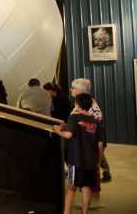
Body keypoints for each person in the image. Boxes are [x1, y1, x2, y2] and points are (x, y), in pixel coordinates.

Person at [53, 93, 103, 214]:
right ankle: (84, 212)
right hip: (91, 161)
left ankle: (66, 212)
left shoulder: (74, 117)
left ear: (77, 104)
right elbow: (100, 144)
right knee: (86, 188)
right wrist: (98, 162)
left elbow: (68, 135)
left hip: (76, 160)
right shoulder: (96, 121)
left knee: (71, 188)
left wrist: (56, 130)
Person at [69, 78, 111, 209]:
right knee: (91, 172)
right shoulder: (81, 103)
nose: (71, 90)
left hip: (90, 145)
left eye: (73, 87)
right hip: (87, 145)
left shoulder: (89, 105)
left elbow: (94, 128)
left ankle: (93, 200)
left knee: (93, 171)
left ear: (81, 90)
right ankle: (90, 200)